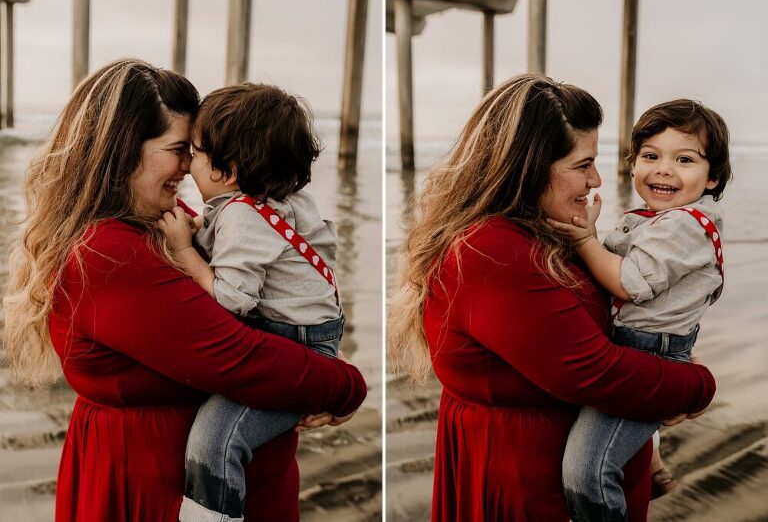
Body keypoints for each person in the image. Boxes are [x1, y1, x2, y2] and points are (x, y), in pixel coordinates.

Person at [2, 59, 367, 522]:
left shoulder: (163, 221)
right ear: (123, 151)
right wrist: (344, 385)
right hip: (154, 487)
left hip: (216, 480)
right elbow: (237, 357)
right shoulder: (108, 254)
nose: (190, 166)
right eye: (180, 149)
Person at [388, 74, 717, 521]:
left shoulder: (540, 229)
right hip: (531, 487)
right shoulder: (493, 251)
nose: (596, 179)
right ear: (529, 166)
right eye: (583, 165)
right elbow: (594, 373)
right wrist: (695, 386)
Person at [157, 83, 346, 521]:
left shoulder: (243, 216)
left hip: (295, 344)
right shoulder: (281, 202)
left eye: (195, 153)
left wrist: (183, 250)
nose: (187, 165)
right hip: (313, 335)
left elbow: (230, 299)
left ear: (228, 171)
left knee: (214, 442)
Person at [549, 99, 731, 521]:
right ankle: (651, 461)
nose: (664, 169)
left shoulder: (685, 225)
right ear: (632, 165)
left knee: (586, 471)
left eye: (684, 159)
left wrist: (584, 241)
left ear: (713, 177)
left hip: (650, 351)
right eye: (650, 156)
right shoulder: (656, 220)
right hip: (639, 344)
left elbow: (629, 283)